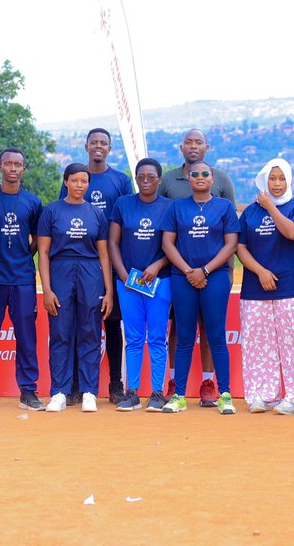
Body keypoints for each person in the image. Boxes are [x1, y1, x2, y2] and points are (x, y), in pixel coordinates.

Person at [157, 128, 236, 406]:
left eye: (205, 174)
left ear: (212, 178)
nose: (200, 178)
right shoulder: (177, 206)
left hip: (214, 277)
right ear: (187, 178)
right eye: (195, 174)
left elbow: (231, 245)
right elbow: (168, 244)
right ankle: (178, 394)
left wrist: (204, 271)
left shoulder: (224, 206)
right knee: (185, 335)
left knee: (215, 335)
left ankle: (224, 393)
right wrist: (189, 270)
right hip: (182, 277)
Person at [60, 128, 133, 405]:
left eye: (103, 143)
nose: (98, 147)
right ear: (86, 146)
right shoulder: (75, 176)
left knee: (112, 325)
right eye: (94, 143)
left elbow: (126, 220)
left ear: (110, 148)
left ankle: (115, 383)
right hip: (77, 265)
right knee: (80, 325)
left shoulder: (120, 181)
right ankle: (77, 385)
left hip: (109, 263)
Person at [235, 159, 294, 415]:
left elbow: (293, 233)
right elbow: (241, 248)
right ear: (264, 180)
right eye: (272, 179)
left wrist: (270, 207)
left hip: (292, 287)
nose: (277, 184)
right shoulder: (250, 213)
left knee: (293, 344)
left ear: (289, 180)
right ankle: (260, 395)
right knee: (258, 343)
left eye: (281, 179)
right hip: (255, 289)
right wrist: (260, 271)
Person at [0, 148, 44, 411]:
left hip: (23, 278)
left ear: (24, 169)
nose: (13, 168)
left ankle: (28, 391)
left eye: (18, 164)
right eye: (8, 164)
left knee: (27, 336)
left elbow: (39, 238)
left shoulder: (33, 202)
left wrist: (26, 254)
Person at [38, 163, 113, 412]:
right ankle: (59, 391)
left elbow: (104, 255)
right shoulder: (51, 211)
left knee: (90, 331)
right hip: (60, 270)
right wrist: (47, 289)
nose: (79, 185)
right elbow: (44, 253)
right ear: (66, 182)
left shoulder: (96, 213)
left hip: (91, 272)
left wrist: (109, 291)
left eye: (84, 181)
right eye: (75, 181)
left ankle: (89, 391)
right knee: (60, 332)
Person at [108, 158, 174, 411]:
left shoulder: (169, 207)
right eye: (141, 176)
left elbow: (174, 246)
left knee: (157, 338)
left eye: (151, 176)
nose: (145, 180)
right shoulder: (123, 204)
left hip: (160, 281)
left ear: (159, 179)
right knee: (133, 338)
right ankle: (132, 392)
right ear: (135, 178)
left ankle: (157, 393)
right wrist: (124, 276)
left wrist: (157, 265)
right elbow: (113, 243)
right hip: (128, 284)